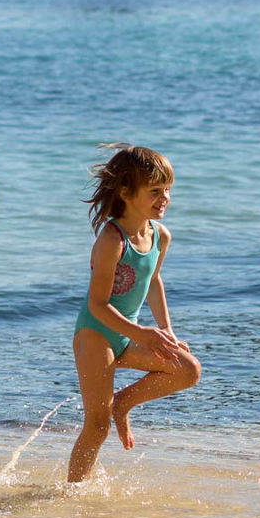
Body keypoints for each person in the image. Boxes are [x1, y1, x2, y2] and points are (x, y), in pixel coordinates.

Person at [68, 145, 201, 482]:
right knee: (97, 426)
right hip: (96, 335)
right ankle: (71, 492)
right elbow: (98, 305)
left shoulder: (160, 236)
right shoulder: (112, 240)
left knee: (187, 370)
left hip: (128, 334)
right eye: (155, 191)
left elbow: (153, 281)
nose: (164, 197)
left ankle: (123, 404)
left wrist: (165, 330)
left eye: (167, 189)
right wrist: (143, 334)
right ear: (126, 193)